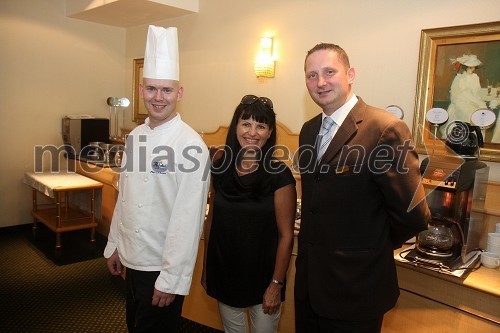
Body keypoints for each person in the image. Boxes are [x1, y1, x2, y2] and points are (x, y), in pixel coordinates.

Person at [295, 43, 430, 333]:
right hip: (309, 287)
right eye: (311, 75)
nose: (320, 82)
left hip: (357, 288)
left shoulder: (384, 129)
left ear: (350, 74)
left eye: (329, 72)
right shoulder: (307, 131)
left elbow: (414, 215)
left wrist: (369, 244)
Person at [104, 25, 210, 333]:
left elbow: (187, 221)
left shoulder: (190, 146)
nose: (158, 98)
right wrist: (114, 245)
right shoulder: (135, 137)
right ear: (140, 91)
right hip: (132, 262)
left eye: (166, 90)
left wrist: (171, 280)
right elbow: (125, 197)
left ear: (180, 92)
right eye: (151, 89)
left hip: (160, 269)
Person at [202, 95, 297, 333]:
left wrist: (276, 284)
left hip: (264, 278)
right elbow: (212, 219)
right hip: (225, 272)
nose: (252, 132)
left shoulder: (279, 175)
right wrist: (206, 267)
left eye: (261, 126)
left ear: (269, 132)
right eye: (246, 124)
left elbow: (286, 236)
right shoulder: (220, 166)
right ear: (236, 126)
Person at [441, 54, 487, 138]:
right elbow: (456, 94)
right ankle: (465, 136)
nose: (472, 69)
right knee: (469, 113)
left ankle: (478, 137)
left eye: (473, 67)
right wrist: (470, 101)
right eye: (470, 67)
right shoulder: (460, 78)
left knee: (482, 111)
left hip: (474, 99)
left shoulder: (475, 77)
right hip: (461, 100)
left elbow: (477, 91)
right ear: (465, 67)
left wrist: (479, 100)